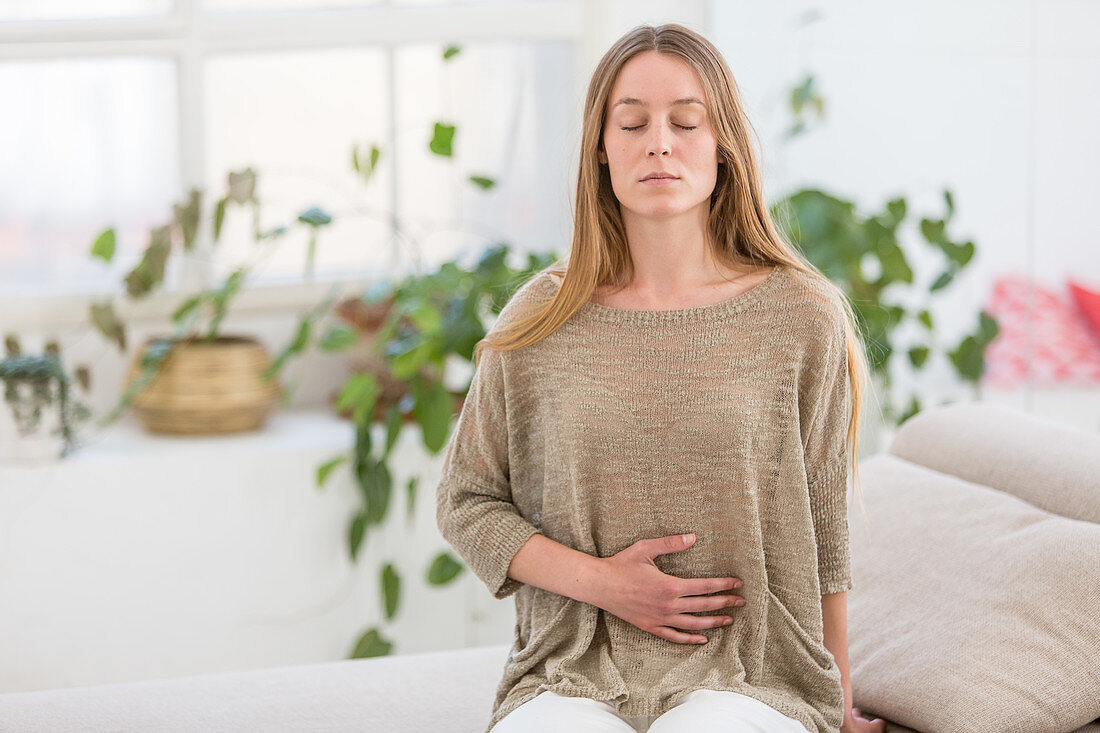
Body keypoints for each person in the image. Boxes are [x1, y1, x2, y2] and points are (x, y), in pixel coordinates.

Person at [436, 22, 886, 733]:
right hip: (570, 674)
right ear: (602, 150)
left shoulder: (802, 315)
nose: (660, 142)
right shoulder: (542, 319)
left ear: (723, 147)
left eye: (685, 121)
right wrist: (606, 585)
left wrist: (836, 701)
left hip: (753, 675)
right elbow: (466, 501)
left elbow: (825, 533)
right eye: (633, 122)